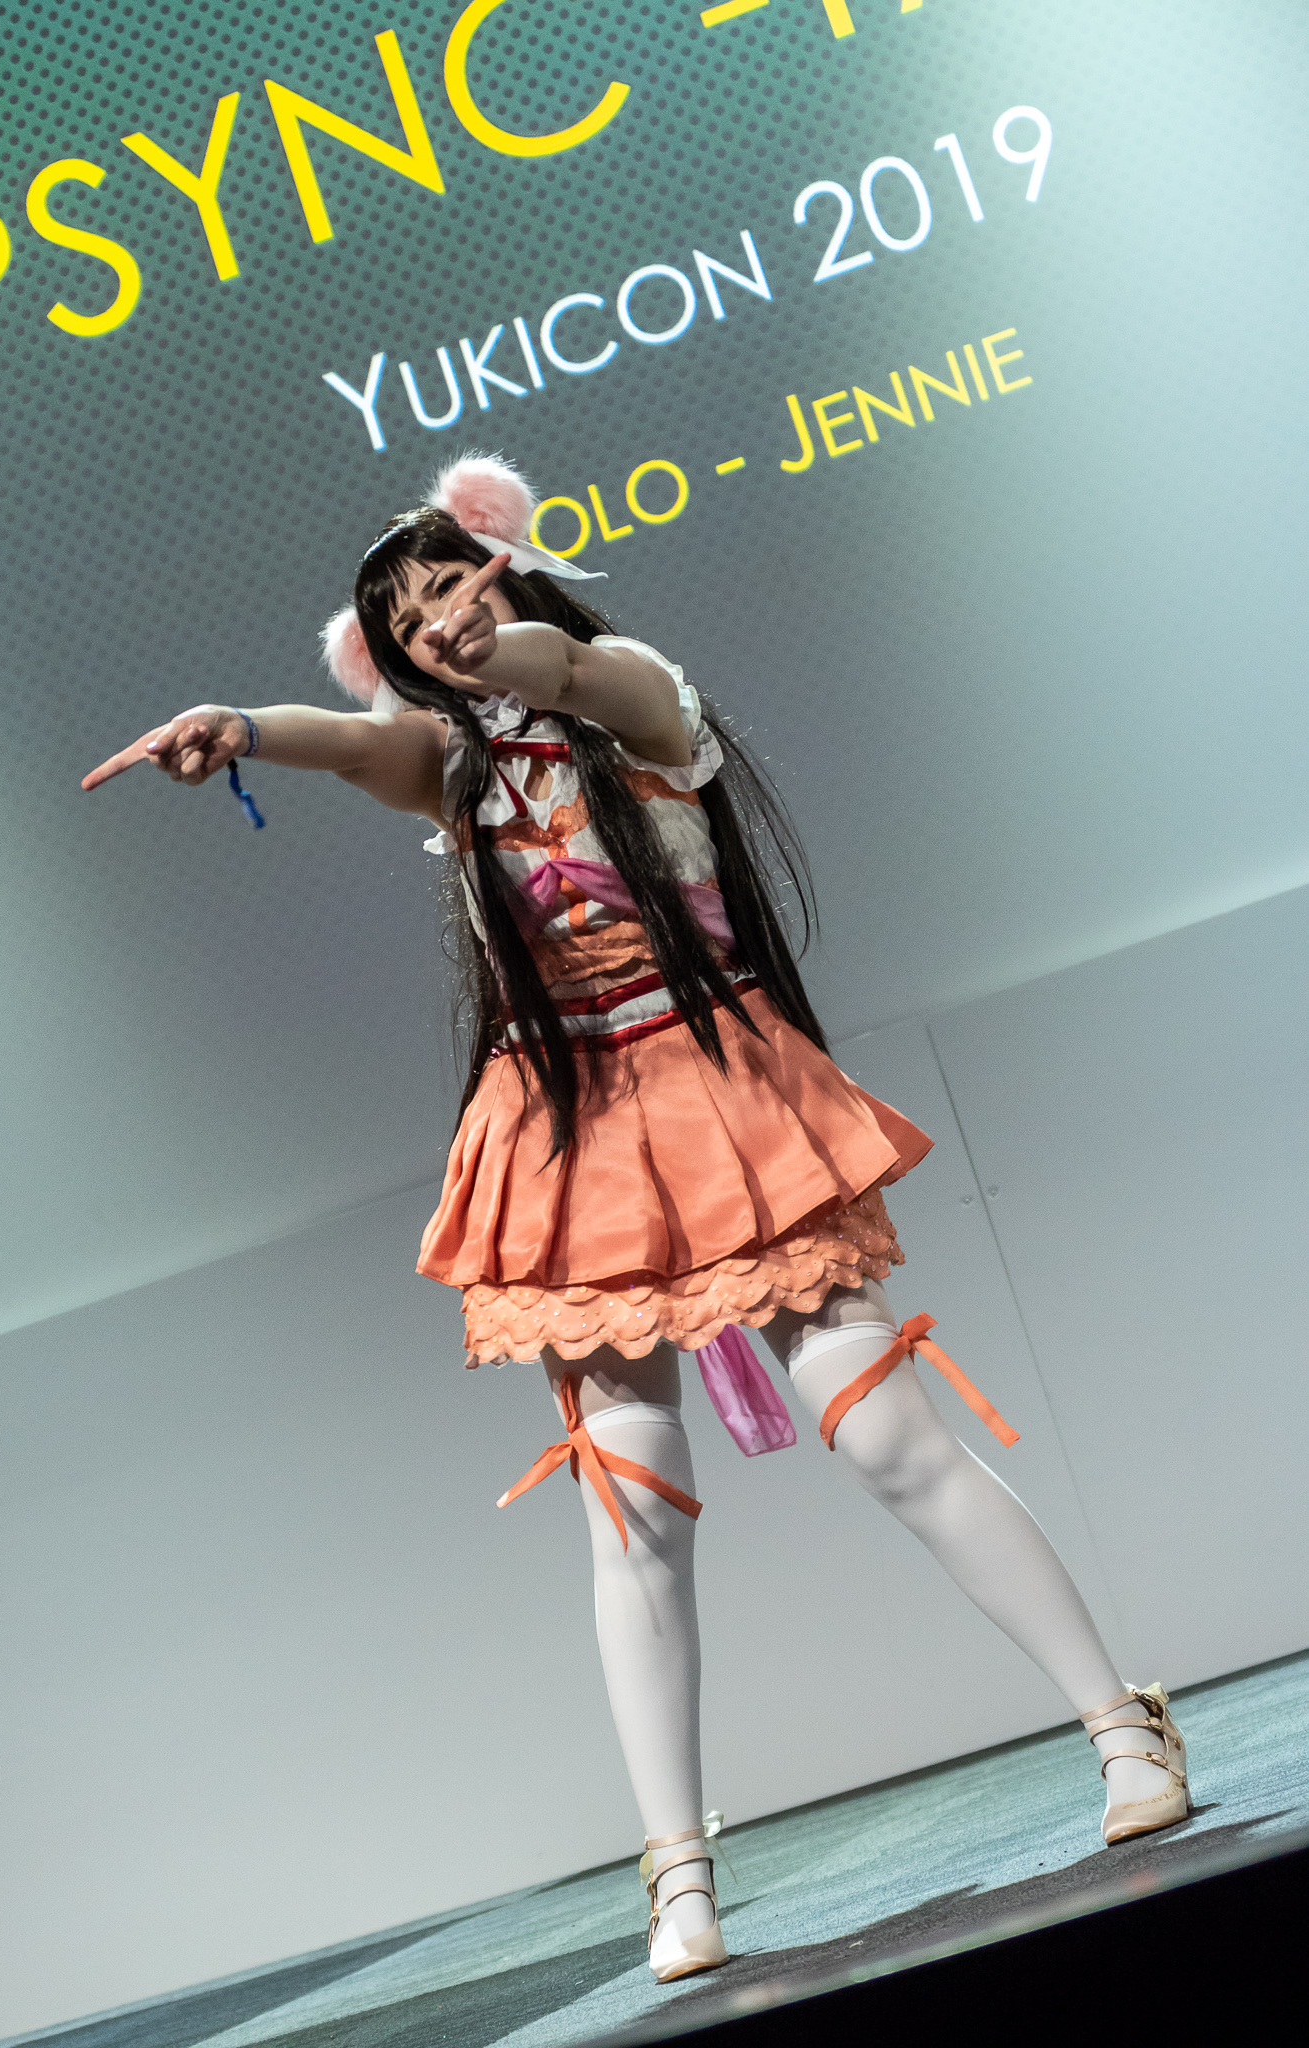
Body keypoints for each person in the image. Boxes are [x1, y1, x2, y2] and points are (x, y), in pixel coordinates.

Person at [83, 454, 1191, 1983]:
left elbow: (564, 668)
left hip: (723, 1092)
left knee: (885, 1436)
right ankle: (677, 1878)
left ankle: (1122, 1727)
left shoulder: (632, 696)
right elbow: (353, 746)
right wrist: (241, 724)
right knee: (633, 1512)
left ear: (508, 573)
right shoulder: (446, 767)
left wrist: (501, 637)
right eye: (405, 619)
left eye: (454, 584)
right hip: (571, 1133)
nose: (439, 622)